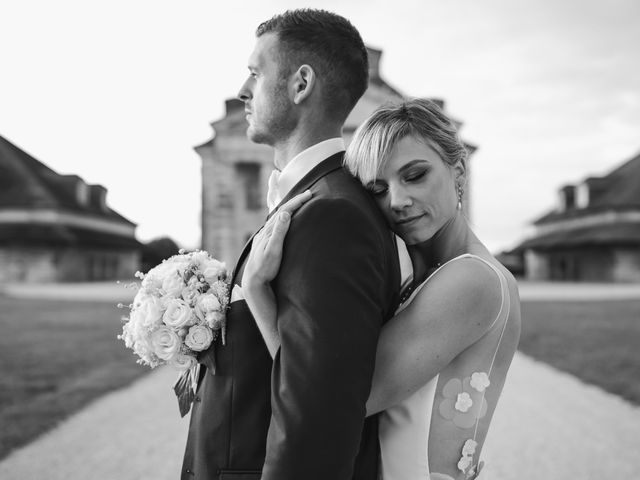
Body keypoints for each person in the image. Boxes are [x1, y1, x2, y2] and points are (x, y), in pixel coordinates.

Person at [242, 98, 522, 480]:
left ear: (459, 171)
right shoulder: (437, 273)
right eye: (377, 189)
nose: (398, 201)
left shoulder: (472, 279)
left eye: (415, 175)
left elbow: (331, 402)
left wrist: (257, 292)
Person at [181, 9, 401, 480]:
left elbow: (314, 419)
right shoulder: (311, 198)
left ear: (301, 84)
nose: (243, 90)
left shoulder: (332, 216)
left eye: (256, 73)